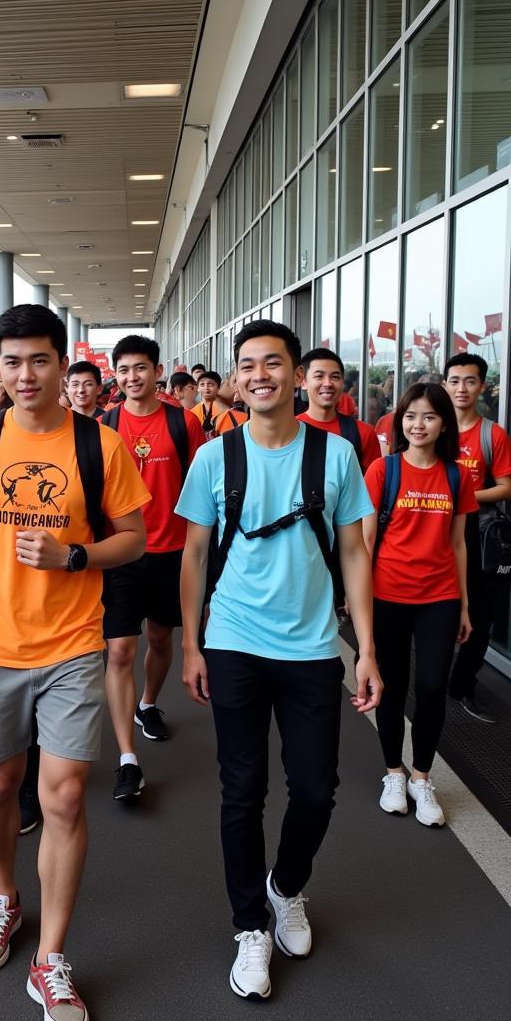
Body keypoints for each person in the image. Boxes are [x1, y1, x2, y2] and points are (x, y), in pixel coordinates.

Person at [0, 303, 149, 1021]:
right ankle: (3, 896)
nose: (26, 374)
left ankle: (51, 958)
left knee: (60, 797)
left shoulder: (99, 445)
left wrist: (75, 555)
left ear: (63, 363)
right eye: (13, 361)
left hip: (72, 646)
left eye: (40, 360)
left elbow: (134, 538)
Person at [177, 319, 382, 1002]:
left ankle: (285, 886)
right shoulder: (215, 457)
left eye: (273, 363)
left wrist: (368, 651)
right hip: (234, 640)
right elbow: (195, 554)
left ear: (298, 375)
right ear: (236, 378)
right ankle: (249, 929)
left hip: (313, 646)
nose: (259, 374)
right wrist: (191, 643)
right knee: (242, 791)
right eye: (247, 365)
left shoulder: (336, 456)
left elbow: (354, 551)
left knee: (317, 790)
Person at [363, 383, 474, 827]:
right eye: (410, 416)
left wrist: (464, 605)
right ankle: (394, 773)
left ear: (443, 423)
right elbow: (366, 542)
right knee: (390, 687)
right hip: (388, 593)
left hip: (440, 597)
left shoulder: (456, 475)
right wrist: (360, 603)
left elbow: (459, 544)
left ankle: (421, 778)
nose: (418, 425)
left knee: (431, 687)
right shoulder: (382, 471)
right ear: (398, 421)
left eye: (429, 417)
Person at [101, 334, 204, 800]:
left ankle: (147, 704)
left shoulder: (184, 423)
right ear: (115, 374)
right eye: (123, 370)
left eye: (140, 368)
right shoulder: (104, 426)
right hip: (122, 553)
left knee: (161, 639)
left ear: (158, 371)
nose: (132, 377)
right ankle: (127, 759)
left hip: (172, 552)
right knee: (120, 651)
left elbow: (201, 487)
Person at [443, 352, 511, 723]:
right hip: (434, 531)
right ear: (444, 385)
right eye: (454, 381)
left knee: (480, 616)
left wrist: (461, 496)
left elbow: (505, 488)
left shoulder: (491, 434)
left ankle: (462, 683)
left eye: (470, 381)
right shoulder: (431, 426)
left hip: (477, 531)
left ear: (482, 385)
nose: (461, 388)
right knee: (436, 609)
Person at [297, 349, 381, 474]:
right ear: (303, 382)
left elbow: (371, 488)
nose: (328, 383)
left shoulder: (363, 433)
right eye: (319, 376)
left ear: (342, 383)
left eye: (335, 377)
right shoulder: (289, 431)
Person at [191, 370, 228, 440]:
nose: (206, 388)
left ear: (219, 387)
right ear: (198, 388)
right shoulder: (193, 412)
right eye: (202, 384)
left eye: (210, 384)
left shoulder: (226, 410)